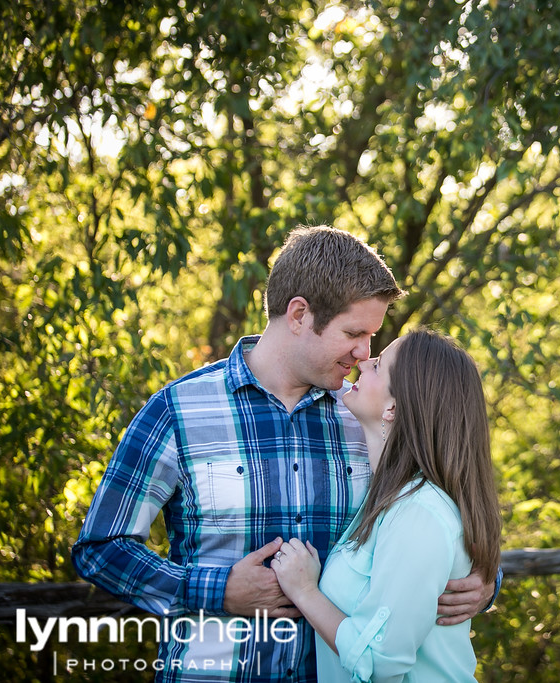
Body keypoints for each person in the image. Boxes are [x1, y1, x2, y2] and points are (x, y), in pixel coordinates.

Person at [72, 226, 497, 683]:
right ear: (299, 314)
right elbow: (101, 547)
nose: (363, 352)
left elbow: (441, 511)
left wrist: (483, 582)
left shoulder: (370, 417)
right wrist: (216, 590)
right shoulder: (179, 410)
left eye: (372, 337)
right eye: (354, 332)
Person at [271, 328, 501, 681]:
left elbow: (379, 663)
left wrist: (305, 592)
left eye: (378, 365)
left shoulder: (419, 514)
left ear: (393, 407)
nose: (363, 362)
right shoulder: (387, 498)